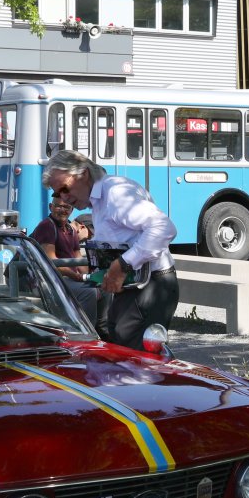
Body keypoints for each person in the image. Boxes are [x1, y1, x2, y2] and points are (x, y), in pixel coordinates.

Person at [42, 148, 177, 349]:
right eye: (57, 193)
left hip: (150, 285)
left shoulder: (115, 192)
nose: (63, 198)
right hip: (136, 286)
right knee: (120, 343)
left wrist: (123, 264)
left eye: (65, 188)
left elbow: (164, 228)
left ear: (83, 174)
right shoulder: (100, 200)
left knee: (137, 356)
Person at [31, 195, 101, 327]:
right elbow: (51, 262)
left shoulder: (71, 230)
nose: (62, 210)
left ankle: (103, 330)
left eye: (66, 207)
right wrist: (76, 276)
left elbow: (78, 259)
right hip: (46, 280)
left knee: (104, 288)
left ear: (72, 210)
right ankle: (85, 331)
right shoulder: (47, 226)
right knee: (88, 292)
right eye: (58, 206)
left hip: (65, 279)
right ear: (50, 207)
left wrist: (90, 278)